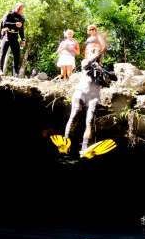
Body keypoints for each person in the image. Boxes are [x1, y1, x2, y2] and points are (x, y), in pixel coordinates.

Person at [50, 24, 117, 157]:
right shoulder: (85, 62)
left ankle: (85, 148)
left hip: (93, 94)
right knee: (73, 115)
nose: (94, 48)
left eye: (95, 47)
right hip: (80, 92)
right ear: (88, 50)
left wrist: (99, 46)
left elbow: (103, 52)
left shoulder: (101, 69)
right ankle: (65, 143)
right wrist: (97, 50)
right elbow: (95, 56)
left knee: (89, 120)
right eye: (92, 47)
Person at [0, 3, 26, 77]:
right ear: (16, 7)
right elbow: (4, 24)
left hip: (15, 37)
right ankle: (0, 70)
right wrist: (14, 24)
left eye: (22, 9)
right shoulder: (9, 14)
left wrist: (23, 39)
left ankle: (15, 73)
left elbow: (21, 30)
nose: (20, 10)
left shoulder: (22, 18)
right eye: (19, 8)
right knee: (3, 53)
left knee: (17, 55)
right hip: (6, 35)